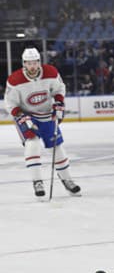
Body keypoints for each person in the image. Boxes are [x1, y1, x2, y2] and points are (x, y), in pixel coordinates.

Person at [4, 48, 81, 198]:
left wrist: (59, 102)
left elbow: (60, 89)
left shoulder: (51, 72)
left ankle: (67, 179)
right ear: (24, 64)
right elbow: (10, 104)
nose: (32, 66)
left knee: (56, 147)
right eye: (29, 63)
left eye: (35, 62)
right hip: (26, 115)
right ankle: (37, 181)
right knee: (32, 143)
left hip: (46, 114)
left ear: (39, 62)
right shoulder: (14, 80)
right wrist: (21, 116)